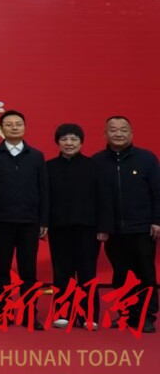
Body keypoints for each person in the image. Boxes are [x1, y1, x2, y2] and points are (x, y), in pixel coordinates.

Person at [0, 110, 49, 330]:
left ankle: (30, 314)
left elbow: (43, 191)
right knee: (2, 270)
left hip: (29, 222)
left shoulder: (36, 156)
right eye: (9, 124)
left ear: (25, 127)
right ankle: (5, 312)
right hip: (0, 221)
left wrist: (43, 221)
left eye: (18, 124)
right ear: (1, 129)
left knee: (29, 271)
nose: (14, 127)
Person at [94, 116, 159, 333]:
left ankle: (146, 316)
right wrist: (101, 226)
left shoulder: (147, 159)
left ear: (131, 133)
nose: (118, 133)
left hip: (142, 228)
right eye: (113, 130)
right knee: (120, 275)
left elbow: (157, 192)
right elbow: (94, 199)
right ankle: (126, 313)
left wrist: (157, 220)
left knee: (145, 274)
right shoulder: (97, 162)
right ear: (105, 134)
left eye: (123, 130)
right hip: (113, 230)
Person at [46, 123, 111, 330]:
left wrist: (103, 227)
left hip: (88, 228)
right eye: (64, 139)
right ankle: (62, 312)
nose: (69, 143)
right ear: (57, 142)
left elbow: (104, 198)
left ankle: (88, 315)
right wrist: (44, 224)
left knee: (87, 271)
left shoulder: (94, 166)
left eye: (74, 139)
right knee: (61, 271)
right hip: (59, 227)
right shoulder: (49, 167)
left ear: (81, 142)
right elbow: (44, 199)